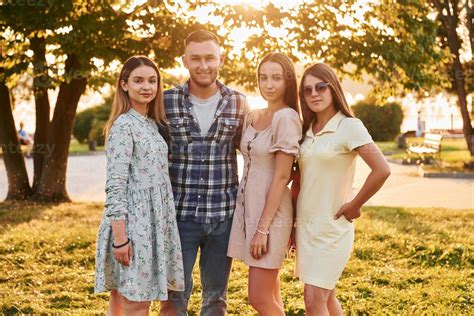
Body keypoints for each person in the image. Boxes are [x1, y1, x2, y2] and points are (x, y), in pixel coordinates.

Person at [159, 30, 248, 316]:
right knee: (174, 297)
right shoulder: (166, 101)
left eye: (210, 58)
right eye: (195, 58)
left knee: (216, 299)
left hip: (223, 216)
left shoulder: (238, 102)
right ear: (185, 61)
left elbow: (251, 152)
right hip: (179, 217)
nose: (203, 65)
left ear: (221, 59)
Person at [295, 63, 391, 315]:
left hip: (332, 230)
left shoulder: (350, 126)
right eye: (307, 90)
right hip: (306, 229)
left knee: (313, 301)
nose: (314, 93)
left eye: (320, 87)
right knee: (326, 299)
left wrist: (355, 204)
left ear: (333, 88)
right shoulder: (306, 130)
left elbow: (382, 169)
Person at [94, 56, 184, 315]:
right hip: (133, 225)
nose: (147, 86)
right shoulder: (123, 125)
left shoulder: (151, 123)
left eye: (152, 81)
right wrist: (121, 239)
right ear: (124, 85)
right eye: (138, 80)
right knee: (134, 303)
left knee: (126, 303)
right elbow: (115, 184)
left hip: (154, 221)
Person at [227, 52, 302, 315]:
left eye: (276, 78)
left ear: (288, 81)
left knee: (258, 298)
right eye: (263, 77)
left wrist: (263, 229)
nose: (268, 84)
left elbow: (282, 177)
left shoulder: (287, 117)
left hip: (270, 215)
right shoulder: (254, 116)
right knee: (271, 293)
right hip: (250, 209)